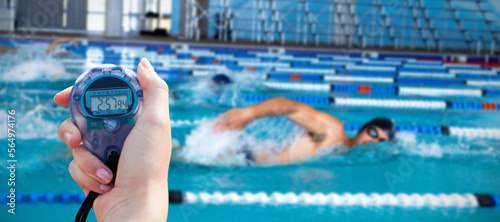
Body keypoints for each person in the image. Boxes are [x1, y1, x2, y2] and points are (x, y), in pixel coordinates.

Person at [54, 59, 171, 221]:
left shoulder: (84, 93)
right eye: (101, 103)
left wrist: (136, 199)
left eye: (115, 102)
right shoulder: (126, 90)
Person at [214, 97, 395, 165]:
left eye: (381, 140)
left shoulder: (344, 156)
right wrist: (250, 113)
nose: (374, 140)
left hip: (246, 160)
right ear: (363, 129)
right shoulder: (334, 131)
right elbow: (290, 106)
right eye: (373, 133)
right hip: (242, 156)